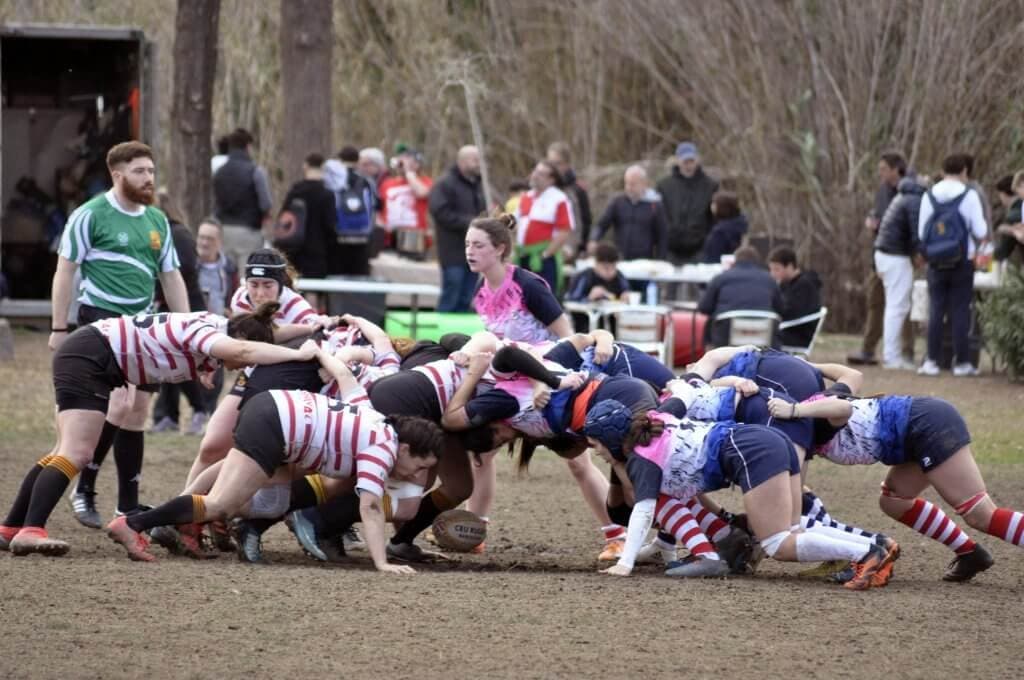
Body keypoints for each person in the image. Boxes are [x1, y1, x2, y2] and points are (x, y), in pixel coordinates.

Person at [0, 303, 318, 556]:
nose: (238, 368)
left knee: (63, 451)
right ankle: (31, 531)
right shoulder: (207, 332)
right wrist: (298, 354)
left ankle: (12, 527)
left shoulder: (213, 326)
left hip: (88, 351)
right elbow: (243, 351)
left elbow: (254, 341)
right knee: (77, 452)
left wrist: (315, 326)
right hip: (90, 358)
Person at [582, 400, 898, 590]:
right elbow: (680, 399)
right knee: (793, 530)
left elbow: (644, 510)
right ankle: (873, 549)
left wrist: (625, 564)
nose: (594, 449)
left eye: (595, 443)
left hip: (752, 450)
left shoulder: (642, 459)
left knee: (777, 544)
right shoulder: (654, 421)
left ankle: (866, 556)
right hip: (768, 439)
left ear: (610, 439)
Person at [466, 214, 627, 559]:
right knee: (481, 452)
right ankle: (472, 531)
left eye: (478, 245)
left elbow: (568, 336)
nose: (470, 251)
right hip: (513, 383)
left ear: (500, 249)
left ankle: (618, 535)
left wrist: (551, 381)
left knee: (578, 461)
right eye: (467, 244)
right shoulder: (480, 292)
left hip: (552, 380)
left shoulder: (528, 285)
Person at [51, 141, 189, 530]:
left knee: (138, 412)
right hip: (101, 320)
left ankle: (126, 506)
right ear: (117, 174)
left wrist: (186, 329)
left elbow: (171, 277)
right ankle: (85, 490)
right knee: (114, 407)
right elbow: (65, 272)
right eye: (140, 171)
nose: (149, 178)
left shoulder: (158, 222)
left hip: (145, 326)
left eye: (151, 171)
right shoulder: (90, 215)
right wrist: (59, 327)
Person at [769, 381, 1024, 582]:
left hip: (926, 425)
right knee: (893, 500)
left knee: (980, 514)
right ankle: (970, 553)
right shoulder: (801, 433)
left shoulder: (806, 415)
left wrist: (794, 409)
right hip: (914, 434)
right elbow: (850, 375)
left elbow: (842, 406)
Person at [917, 153, 989, 377]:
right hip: (962, 261)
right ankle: (962, 363)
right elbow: (981, 231)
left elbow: (921, 233)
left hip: (935, 261)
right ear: (964, 171)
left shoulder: (929, 195)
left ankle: (931, 361)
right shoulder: (969, 195)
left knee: (936, 310)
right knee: (960, 311)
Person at [150, 189, 211, 436]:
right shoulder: (157, 234)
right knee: (167, 365)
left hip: (188, 307)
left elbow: (183, 268)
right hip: (166, 308)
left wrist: (160, 282)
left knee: (183, 364)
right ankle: (169, 416)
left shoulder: (178, 234)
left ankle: (200, 410)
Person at [848, 151, 909, 366]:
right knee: (875, 302)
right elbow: (879, 213)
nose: (880, 173)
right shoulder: (882, 191)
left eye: (883, 169)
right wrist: (872, 221)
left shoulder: (908, 191)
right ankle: (868, 348)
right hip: (880, 254)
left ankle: (906, 350)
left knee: (901, 305)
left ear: (895, 169)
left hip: (900, 254)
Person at [873, 172, 925, 369]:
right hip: (895, 256)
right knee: (897, 307)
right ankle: (892, 356)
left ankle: (892, 355)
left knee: (896, 306)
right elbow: (915, 233)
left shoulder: (902, 196)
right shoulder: (914, 200)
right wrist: (921, 254)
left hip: (886, 254)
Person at [429, 145, 485, 312]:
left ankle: (458, 336)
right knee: (452, 292)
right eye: (474, 160)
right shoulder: (445, 183)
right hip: (452, 249)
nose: (478, 164)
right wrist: (470, 222)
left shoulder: (477, 185)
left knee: (467, 296)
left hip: (474, 251)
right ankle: (441, 332)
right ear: (462, 161)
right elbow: (439, 211)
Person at [212, 128, 273, 272]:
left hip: (224, 230)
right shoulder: (255, 171)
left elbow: (214, 203)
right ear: (248, 146)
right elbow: (266, 204)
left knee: (226, 277)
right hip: (249, 231)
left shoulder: (219, 172)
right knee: (247, 277)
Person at [698, 246, 783, 348]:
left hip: (726, 331)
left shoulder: (721, 278)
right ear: (757, 261)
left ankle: (711, 359)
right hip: (764, 332)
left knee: (710, 325)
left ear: (735, 260)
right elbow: (780, 309)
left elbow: (704, 307)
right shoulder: (769, 280)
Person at [277, 153, 337, 289]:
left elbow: (284, 217)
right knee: (313, 289)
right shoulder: (326, 193)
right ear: (323, 168)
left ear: (306, 166)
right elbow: (330, 225)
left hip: (294, 247)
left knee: (294, 286)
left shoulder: (295, 190)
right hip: (317, 249)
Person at [514, 161, 576, 293]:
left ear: (551, 179)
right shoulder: (526, 197)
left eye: (541, 174)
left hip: (543, 259)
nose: (535, 176)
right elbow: (515, 223)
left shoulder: (558, 199)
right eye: (535, 171)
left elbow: (565, 230)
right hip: (524, 256)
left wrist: (546, 254)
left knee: (543, 298)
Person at [587, 165, 667, 261]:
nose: (629, 187)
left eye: (633, 184)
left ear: (644, 184)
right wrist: (593, 239)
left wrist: (660, 260)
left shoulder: (654, 206)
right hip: (620, 259)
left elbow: (662, 236)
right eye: (626, 183)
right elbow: (601, 225)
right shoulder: (618, 202)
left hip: (644, 261)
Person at [657, 141, 719, 264]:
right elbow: (660, 216)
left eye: (691, 161)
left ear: (697, 160)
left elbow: (714, 218)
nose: (688, 165)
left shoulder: (710, 186)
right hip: (672, 249)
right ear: (678, 161)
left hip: (700, 249)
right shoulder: (664, 186)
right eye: (685, 161)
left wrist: (706, 240)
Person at [323, 146, 377, 276]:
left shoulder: (332, 180)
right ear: (357, 161)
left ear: (339, 160)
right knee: (358, 278)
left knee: (336, 277)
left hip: (337, 237)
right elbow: (374, 207)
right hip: (362, 238)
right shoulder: (367, 182)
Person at [378, 148, 433, 259]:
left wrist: (409, 172)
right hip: (389, 239)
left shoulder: (425, 181)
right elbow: (380, 209)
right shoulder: (387, 183)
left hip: (415, 240)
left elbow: (421, 193)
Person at [566, 243, 630, 330]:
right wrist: (589, 298)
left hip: (611, 326)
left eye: (613, 267)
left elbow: (625, 292)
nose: (610, 272)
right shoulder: (585, 276)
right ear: (596, 263)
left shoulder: (618, 276)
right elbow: (570, 300)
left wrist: (625, 298)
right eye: (606, 268)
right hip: (585, 326)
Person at [767, 247, 822, 348]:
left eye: (776, 269)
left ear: (790, 266)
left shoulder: (805, 285)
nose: (772, 274)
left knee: (762, 336)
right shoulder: (786, 284)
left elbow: (791, 312)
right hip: (787, 329)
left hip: (798, 334)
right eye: (771, 269)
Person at [546, 142, 593, 254]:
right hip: (544, 248)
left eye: (558, 163)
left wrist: (581, 248)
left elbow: (586, 221)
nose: (553, 167)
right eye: (550, 163)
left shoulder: (577, 190)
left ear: (567, 164)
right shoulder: (542, 189)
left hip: (569, 250)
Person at [195, 217, 238, 318]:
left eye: (210, 239)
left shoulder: (229, 268)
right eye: (202, 237)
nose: (204, 243)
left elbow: (235, 299)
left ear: (220, 242)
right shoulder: (188, 266)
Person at [702, 192, 749, 264]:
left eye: (714, 204)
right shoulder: (741, 224)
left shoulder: (720, 231)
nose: (712, 206)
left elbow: (713, 256)